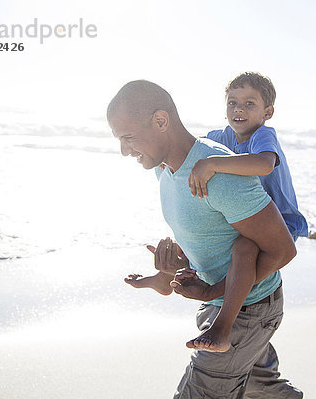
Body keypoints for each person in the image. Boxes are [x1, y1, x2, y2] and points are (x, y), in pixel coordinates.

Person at [107, 80, 303, 398]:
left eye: (128, 138)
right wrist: (178, 261)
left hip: (248, 308)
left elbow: (282, 250)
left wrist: (215, 290)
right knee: (262, 392)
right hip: (220, 303)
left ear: (160, 121)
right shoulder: (164, 169)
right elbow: (210, 230)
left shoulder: (219, 174)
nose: (124, 150)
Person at [183, 72, 308, 353]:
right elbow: (191, 145)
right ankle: (169, 280)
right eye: (232, 103)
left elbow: (264, 164)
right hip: (248, 218)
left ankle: (222, 324)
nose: (238, 109)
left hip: (280, 223)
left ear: (268, 112)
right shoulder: (221, 136)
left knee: (244, 247)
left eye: (249, 103)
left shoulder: (263, 134)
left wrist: (213, 163)